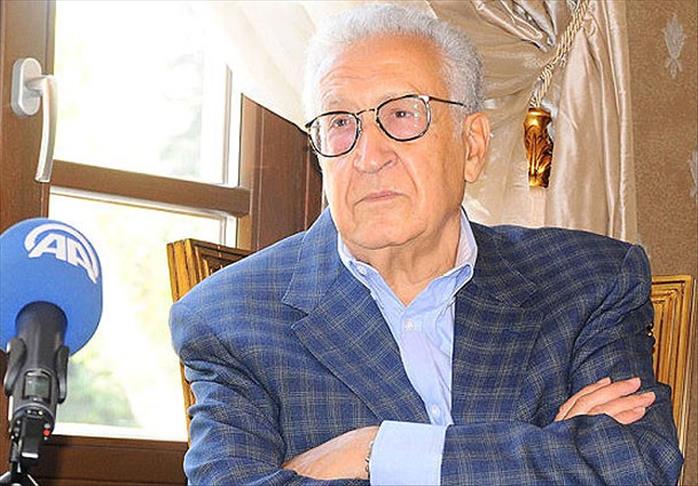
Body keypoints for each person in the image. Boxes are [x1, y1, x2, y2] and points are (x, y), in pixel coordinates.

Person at [169, 4, 683, 485]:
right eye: (340, 123)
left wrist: (379, 452)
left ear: (472, 146)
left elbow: (633, 464)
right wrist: (549, 449)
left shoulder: (588, 280)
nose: (368, 156)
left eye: (402, 115)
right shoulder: (229, 318)